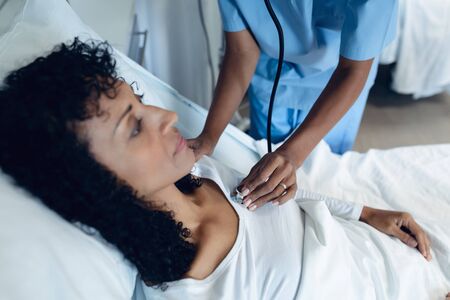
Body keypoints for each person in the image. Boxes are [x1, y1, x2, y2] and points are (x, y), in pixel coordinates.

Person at [0, 39, 448, 299]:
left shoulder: (201, 172)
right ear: (95, 186)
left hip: (391, 251)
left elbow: (290, 202)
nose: (166, 116)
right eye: (134, 127)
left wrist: (366, 214)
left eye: (139, 100)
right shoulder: (193, 289)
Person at [188, 0, 398, 212]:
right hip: (273, 70)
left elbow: (353, 70)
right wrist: (209, 136)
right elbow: (241, 51)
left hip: (338, 80)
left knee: (325, 177)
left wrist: (292, 154)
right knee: (265, 164)